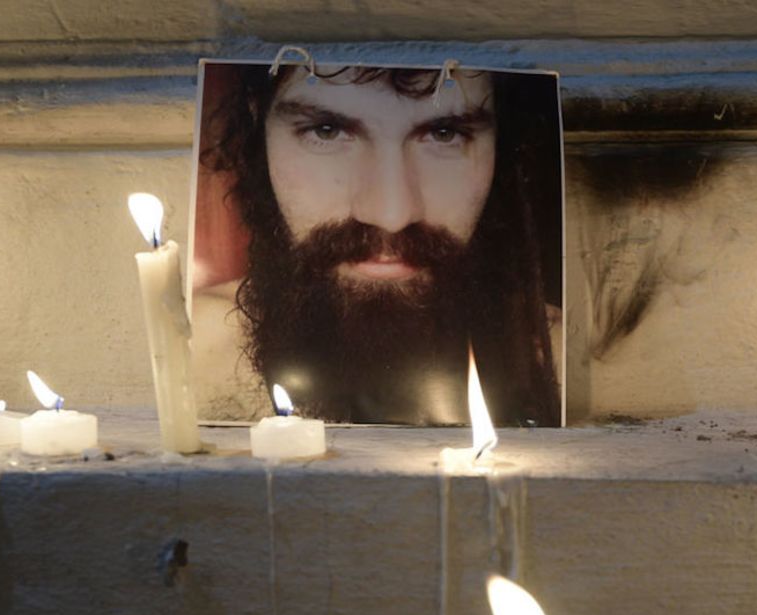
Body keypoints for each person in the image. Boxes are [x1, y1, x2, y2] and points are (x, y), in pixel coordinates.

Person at [192, 62, 563, 426]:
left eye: (445, 133)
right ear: (260, 127)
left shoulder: (574, 367)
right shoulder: (186, 352)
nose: (391, 214)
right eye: (326, 130)